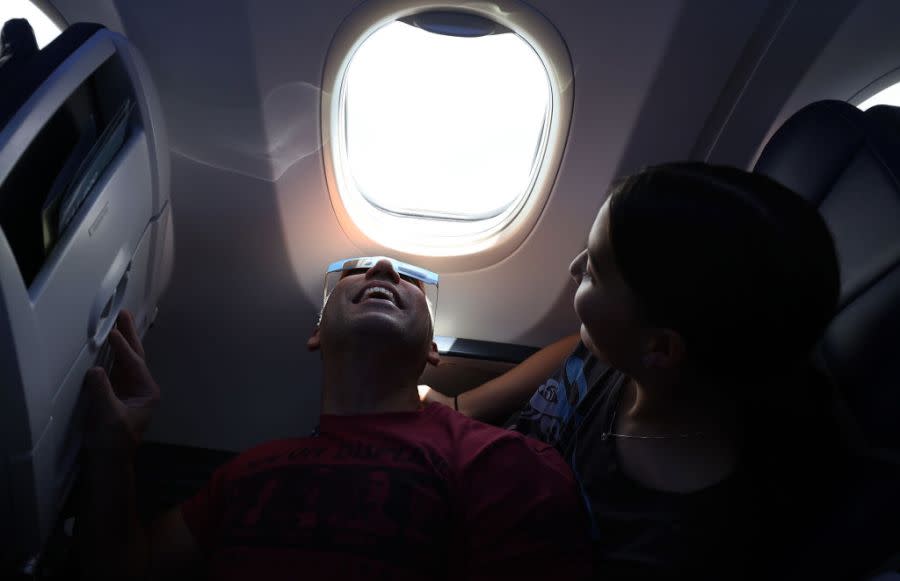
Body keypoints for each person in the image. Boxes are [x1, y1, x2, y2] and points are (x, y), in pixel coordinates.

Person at [425, 162, 844, 578]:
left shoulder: (668, 535)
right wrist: (463, 407)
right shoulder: (626, 358)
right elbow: (573, 351)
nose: (574, 268)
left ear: (660, 347)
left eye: (593, 272)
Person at [77, 257, 591, 580]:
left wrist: (461, 406)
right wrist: (113, 452)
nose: (385, 270)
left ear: (432, 350)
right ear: (317, 333)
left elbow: (588, 346)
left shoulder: (504, 462)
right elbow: (129, 567)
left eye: (407, 279)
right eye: (355, 271)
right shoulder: (250, 472)